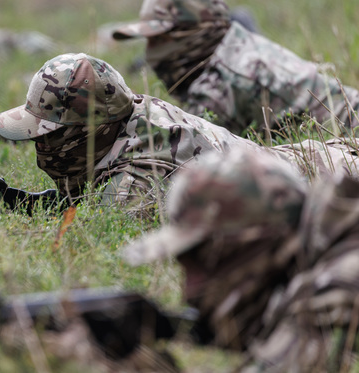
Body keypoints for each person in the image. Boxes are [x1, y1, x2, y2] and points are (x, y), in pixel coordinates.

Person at [0, 52, 359, 205]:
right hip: (318, 157)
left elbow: (103, 230)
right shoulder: (128, 112)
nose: (42, 148)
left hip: (333, 179)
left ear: (90, 131)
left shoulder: (136, 181)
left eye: (51, 135)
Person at [123, 148, 358, 372]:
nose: (188, 292)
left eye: (202, 262)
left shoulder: (339, 284)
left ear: (252, 245)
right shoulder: (323, 250)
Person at [110, 0, 359, 134]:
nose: (151, 52)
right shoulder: (236, 43)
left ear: (195, 32)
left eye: (161, 38)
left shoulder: (220, 85)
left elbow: (187, 154)